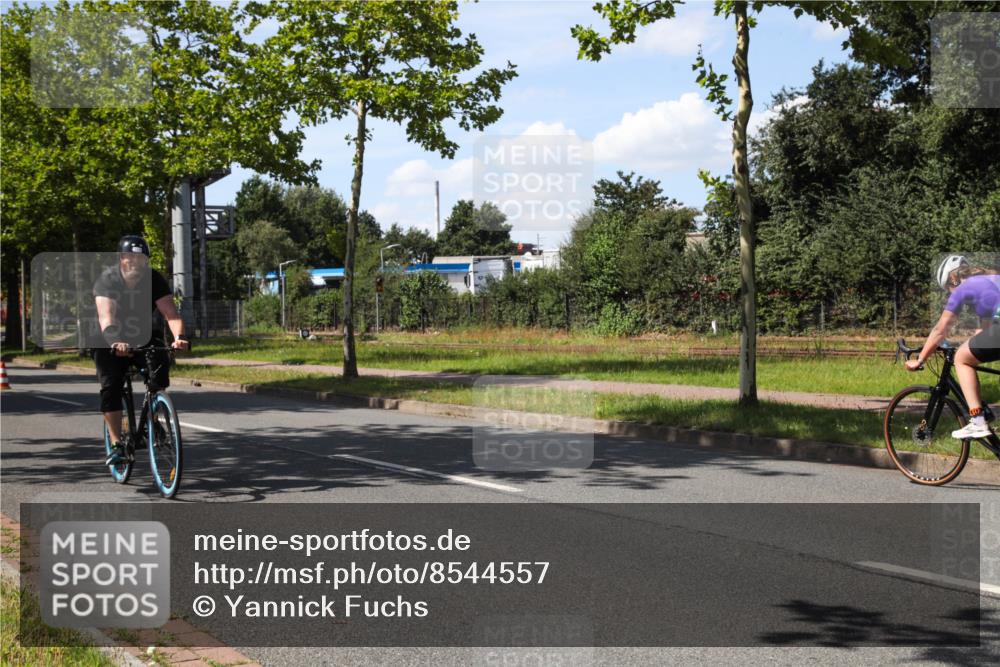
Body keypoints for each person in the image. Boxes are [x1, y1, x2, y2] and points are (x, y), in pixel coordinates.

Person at [93, 235, 189, 464]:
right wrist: (116, 342)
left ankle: (153, 418)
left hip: (143, 335)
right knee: (111, 386)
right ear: (121, 259)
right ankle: (117, 444)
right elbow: (107, 318)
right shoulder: (107, 280)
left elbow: (171, 314)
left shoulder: (154, 279)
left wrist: (180, 337)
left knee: (160, 365)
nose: (135, 262)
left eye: (141, 258)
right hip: (109, 338)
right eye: (130, 258)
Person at [905, 255, 1000, 439]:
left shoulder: (963, 288)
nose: (950, 293)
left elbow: (941, 329)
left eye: (948, 288)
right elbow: (986, 332)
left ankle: (978, 422)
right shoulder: (989, 280)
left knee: (961, 359)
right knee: (968, 353)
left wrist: (920, 359)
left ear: (953, 278)